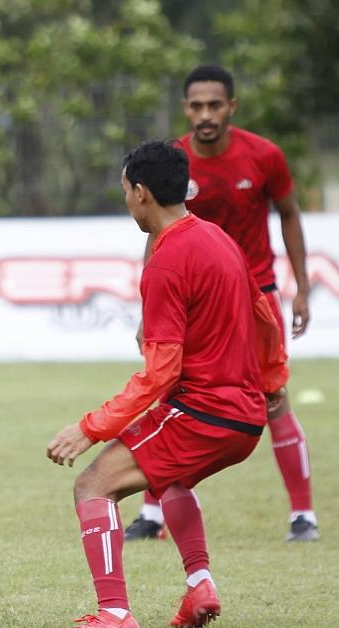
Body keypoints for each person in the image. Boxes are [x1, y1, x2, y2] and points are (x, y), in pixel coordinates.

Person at [46, 140, 287, 628]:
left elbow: (158, 375)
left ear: (141, 192)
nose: (126, 200)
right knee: (169, 478)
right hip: (245, 417)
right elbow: (265, 316)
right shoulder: (219, 239)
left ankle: (114, 616)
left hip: (205, 412)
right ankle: (200, 585)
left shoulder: (168, 260)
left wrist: (90, 428)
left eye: (125, 190)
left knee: (93, 485)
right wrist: (273, 380)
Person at [125, 65, 317, 543]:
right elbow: (157, 234)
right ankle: (152, 514)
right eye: (196, 105)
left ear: (231, 107)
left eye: (215, 105)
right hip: (193, 299)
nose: (205, 114)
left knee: (273, 400)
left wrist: (303, 287)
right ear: (185, 108)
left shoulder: (264, 156)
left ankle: (303, 515)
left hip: (257, 296)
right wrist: (147, 309)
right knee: (170, 393)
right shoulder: (172, 161)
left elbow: (290, 216)